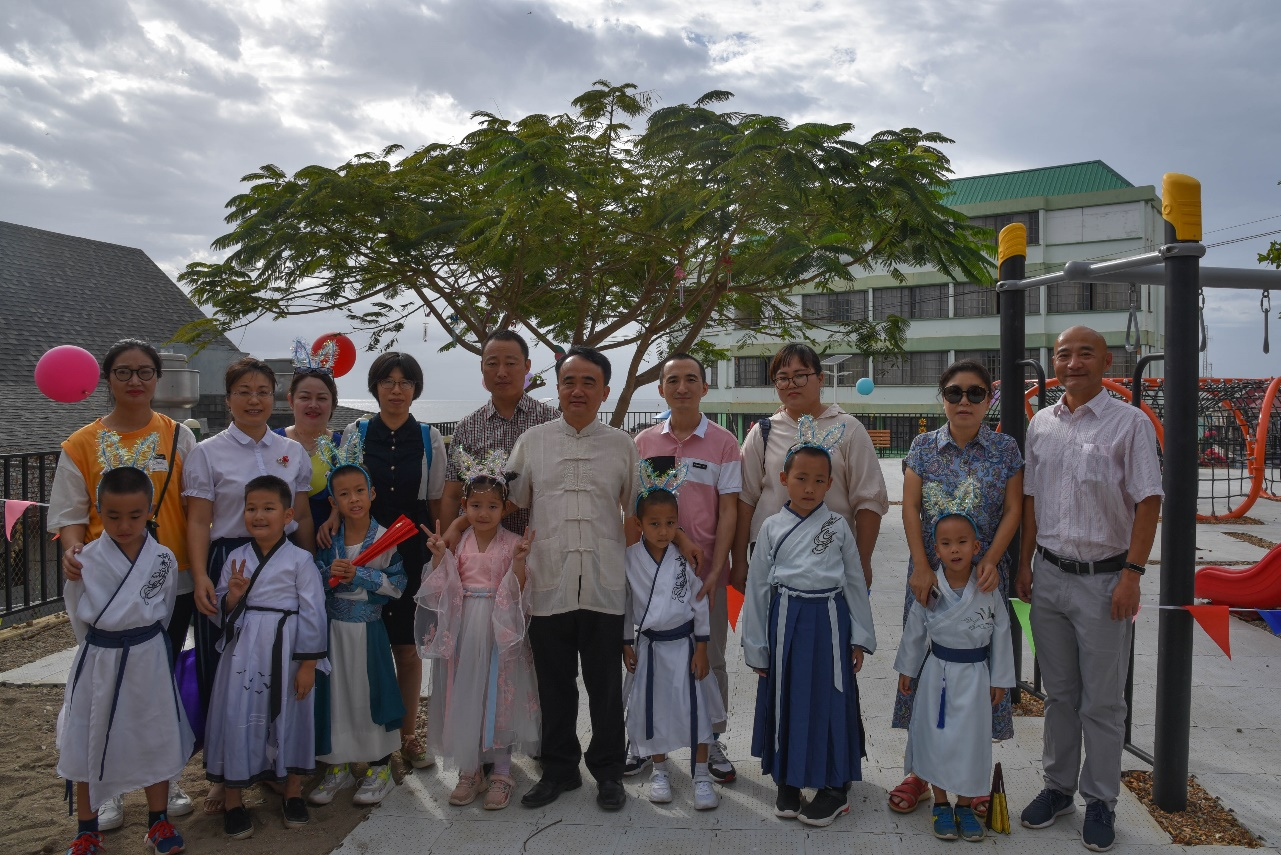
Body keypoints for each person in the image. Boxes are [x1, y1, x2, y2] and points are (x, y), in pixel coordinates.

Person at [507, 345, 702, 812]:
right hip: (549, 582)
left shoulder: (621, 445)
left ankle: (609, 772)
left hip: (604, 584)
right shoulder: (532, 441)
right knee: (554, 684)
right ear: (557, 388)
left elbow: (642, 510)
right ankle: (559, 769)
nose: (577, 390)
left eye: (588, 382)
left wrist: (679, 539)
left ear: (605, 391)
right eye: (569, 382)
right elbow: (509, 500)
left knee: (606, 687)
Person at [1015, 326, 1163, 853]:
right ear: (1053, 363)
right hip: (1050, 576)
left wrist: (1132, 574)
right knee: (1059, 695)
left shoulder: (1130, 424)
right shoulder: (1042, 424)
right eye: (1063, 355)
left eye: (1084, 354)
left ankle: (1101, 798)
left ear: (1105, 362)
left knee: (1102, 701)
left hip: (1106, 582)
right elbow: (1031, 498)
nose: (1073, 363)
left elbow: (1148, 500)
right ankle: (1058, 788)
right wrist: (1026, 564)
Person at [50, 338, 198, 826]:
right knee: (105, 683)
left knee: (159, 683)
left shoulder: (179, 436)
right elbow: (70, 514)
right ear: (107, 379)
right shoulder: (80, 443)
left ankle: (165, 777)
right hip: (105, 584)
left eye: (144, 372)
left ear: (158, 379)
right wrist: (73, 550)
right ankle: (108, 782)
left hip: (167, 579)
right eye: (123, 372)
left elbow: (196, 508)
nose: (135, 381)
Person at [889, 359, 1023, 817]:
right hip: (931, 577)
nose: (964, 401)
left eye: (975, 393)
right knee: (922, 667)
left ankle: (970, 775)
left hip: (984, 575)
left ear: (989, 399)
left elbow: (1013, 509)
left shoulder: (1005, 449)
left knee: (981, 669)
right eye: (954, 393)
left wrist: (991, 559)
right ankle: (920, 772)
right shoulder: (923, 447)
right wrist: (921, 566)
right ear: (942, 398)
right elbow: (909, 507)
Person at [183, 356, 315, 814]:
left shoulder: (291, 451)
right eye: (244, 392)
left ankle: (275, 765)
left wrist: (308, 569)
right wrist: (201, 574)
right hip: (229, 562)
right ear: (228, 399)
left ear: (273, 397)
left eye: (262, 391)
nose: (254, 400)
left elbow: (301, 514)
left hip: (282, 562)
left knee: (280, 666)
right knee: (222, 669)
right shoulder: (207, 452)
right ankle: (225, 772)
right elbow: (198, 520)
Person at [57, 440, 194, 855]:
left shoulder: (163, 559)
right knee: (89, 735)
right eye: (113, 516)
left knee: (154, 733)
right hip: (100, 655)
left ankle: (158, 822)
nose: (124, 524)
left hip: (147, 654)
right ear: (98, 511)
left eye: (135, 515)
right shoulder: (84, 559)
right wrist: (100, 646)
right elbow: (76, 610)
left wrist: (143, 640)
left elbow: (164, 609)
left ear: (150, 510)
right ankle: (87, 829)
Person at [741, 417, 876, 828]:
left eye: (819, 480)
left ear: (830, 484)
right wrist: (756, 646)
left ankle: (835, 786)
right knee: (787, 695)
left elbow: (854, 581)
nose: (810, 487)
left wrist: (859, 635)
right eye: (801, 478)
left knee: (831, 695)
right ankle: (788, 778)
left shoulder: (838, 526)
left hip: (831, 620)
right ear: (784, 479)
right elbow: (758, 589)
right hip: (786, 619)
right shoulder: (770, 528)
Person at [630, 353, 741, 783]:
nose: (682, 387)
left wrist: (717, 569)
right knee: (648, 657)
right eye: (672, 380)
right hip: (651, 575)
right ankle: (642, 741)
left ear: (704, 387)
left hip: (705, 574)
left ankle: (712, 739)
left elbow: (729, 510)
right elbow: (636, 510)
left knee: (710, 659)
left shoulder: (724, 442)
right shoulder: (644, 444)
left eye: (690, 379)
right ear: (660, 389)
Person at [204, 475, 329, 840]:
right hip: (244, 651)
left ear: (288, 515)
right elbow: (222, 611)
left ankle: (293, 792)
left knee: (293, 712)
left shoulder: (301, 560)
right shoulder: (236, 558)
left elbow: (314, 612)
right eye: (251, 508)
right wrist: (233, 597)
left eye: (268, 508)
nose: (258, 516)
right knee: (237, 714)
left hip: (288, 648)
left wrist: (308, 664)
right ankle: (233, 799)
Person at [417, 449, 540, 811]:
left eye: (491, 506)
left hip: (498, 626)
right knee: (466, 692)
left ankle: (501, 771)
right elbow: (443, 583)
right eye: (475, 505)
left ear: (505, 509)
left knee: (500, 694)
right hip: (465, 625)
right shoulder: (459, 543)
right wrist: (439, 555)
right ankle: (470, 770)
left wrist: (520, 562)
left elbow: (519, 589)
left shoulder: (512, 543)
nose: (483, 513)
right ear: (464, 507)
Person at [340, 351, 446, 770]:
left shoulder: (429, 438)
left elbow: (434, 501)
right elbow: (343, 487)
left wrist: (439, 553)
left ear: (416, 389)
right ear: (375, 388)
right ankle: (363, 738)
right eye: (388, 381)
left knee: (407, 648)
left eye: (405, 382)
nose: (396, 390)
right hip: (362, 548)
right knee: (361, 645)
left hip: (411, 552)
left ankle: (407, 736)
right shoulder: (356, 432)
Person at [894, 512, 1015, 842]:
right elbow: (915, 630)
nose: (955, 549)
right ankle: (941, 804)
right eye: (946, 544)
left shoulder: (987, 587)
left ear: (976, 547)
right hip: (938, 673)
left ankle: (964, 804)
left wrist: (1000, 678)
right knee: (936, 738)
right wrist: (908, 669)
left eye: (962, 542)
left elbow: (1002, 632)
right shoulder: (932, 586)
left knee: (971, 741)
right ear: (936, 549)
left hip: (976, 675)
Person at [730, 343, 887, 594]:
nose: (791, 384)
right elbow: (746, 498)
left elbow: (868, 499)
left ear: (820, 378)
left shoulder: (849, 429)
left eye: (800, 375)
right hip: (771, 556)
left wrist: (862, 561)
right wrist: (739, 561)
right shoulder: (763, 432)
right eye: (782, 378)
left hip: (831, 557)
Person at [308, 434, 406, 808]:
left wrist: (360, 575)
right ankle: (339, 764)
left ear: (372, 493)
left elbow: (398, 585)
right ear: (333, 502)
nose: (354, 499)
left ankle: (379, 765)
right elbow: (312, 582)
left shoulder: (385, 538)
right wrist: (328, 574)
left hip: (368, 632)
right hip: (332, 632)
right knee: (336, 695)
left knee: (370, 693)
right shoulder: (328, 538)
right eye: (344, 494)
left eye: (359, 491)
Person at [621, 464, 724, 811]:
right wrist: (626, 643)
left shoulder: (684, 558)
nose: (663, 531)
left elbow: (699, 603)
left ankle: (701, 775)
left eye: (670, 523)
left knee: (696, 709)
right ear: (639, 524)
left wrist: (702, 647)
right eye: (654, 524)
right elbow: (625, 605)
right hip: (650, 647)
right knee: (654, 710)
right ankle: (660, 771)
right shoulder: (630, 559)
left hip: (685, 646)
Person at [439, 330, 558, 531]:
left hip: (536, 543)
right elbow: (452, 495)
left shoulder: (551, 422)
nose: (501, 372)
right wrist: (447, 539)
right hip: (476, 546)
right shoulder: (466, 427)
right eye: (492, 363)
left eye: (510, 363)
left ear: (527, 366)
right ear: (482, 367)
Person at [275, 339, 343, 529]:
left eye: (321, 398)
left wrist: (337, 512)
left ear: (333, 403)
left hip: (330, 540)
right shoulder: (272, 441)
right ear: (291, 401)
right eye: (305, 397)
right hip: (278, 542)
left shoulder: (342, 447)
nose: (313, 405)